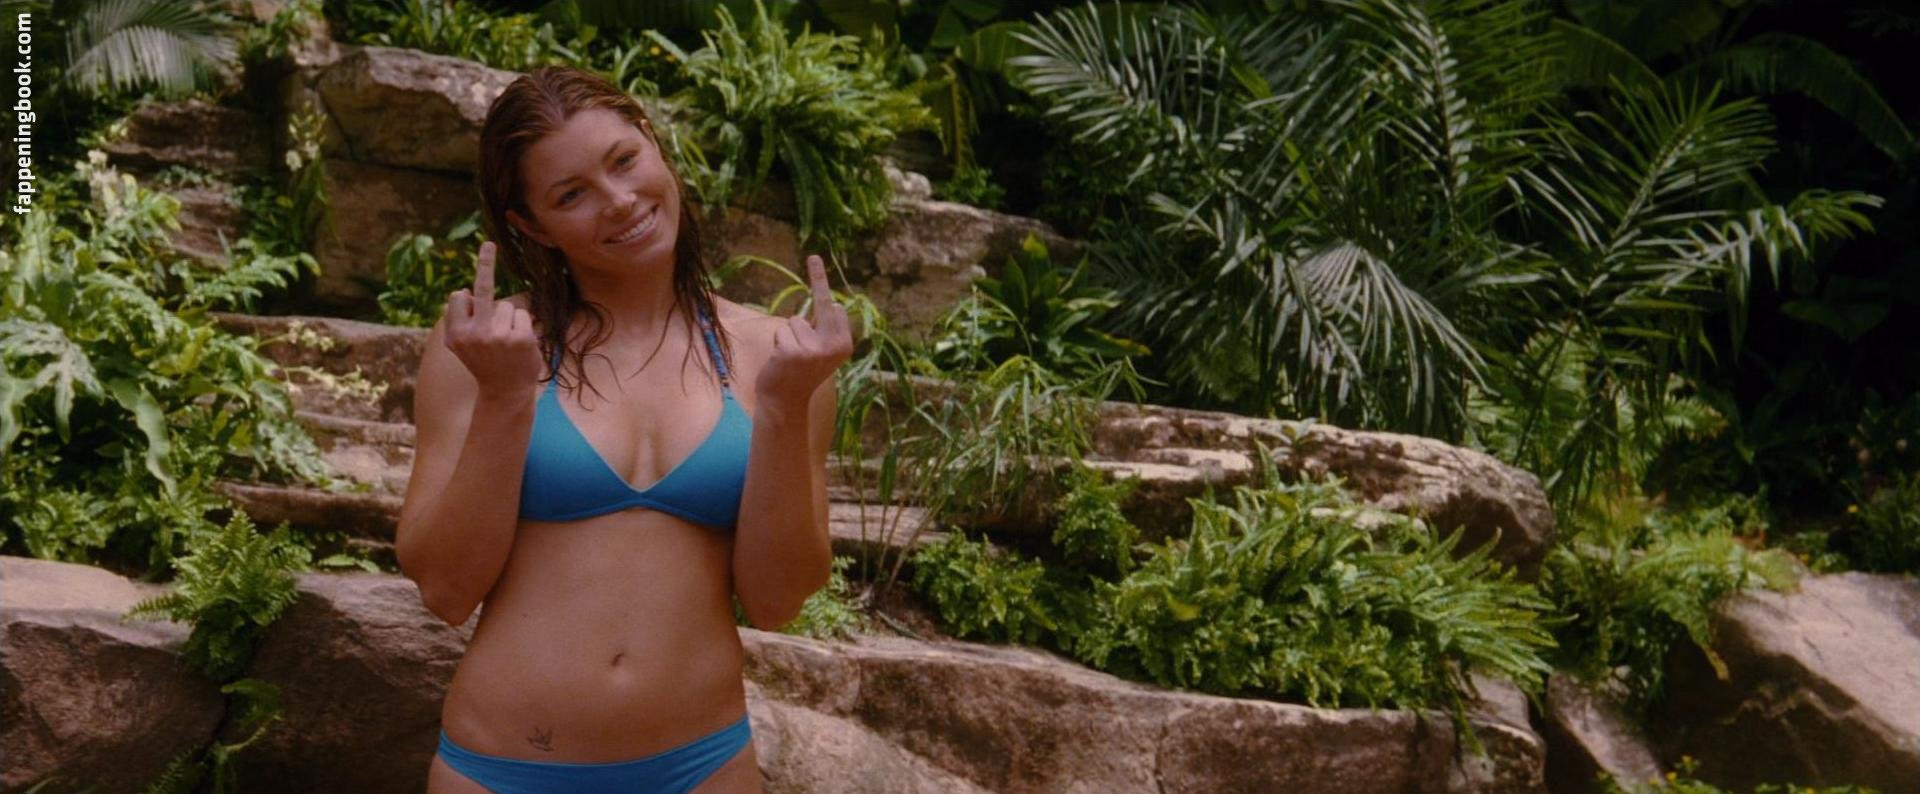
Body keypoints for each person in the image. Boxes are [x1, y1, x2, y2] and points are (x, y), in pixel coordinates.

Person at [395, 65, 851, 793]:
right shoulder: (487, 350)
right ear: (531, 226)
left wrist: (785, 406)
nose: (619, 201)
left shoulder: (779, 357)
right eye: (570, 194)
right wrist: (507, 398)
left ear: (654, 145)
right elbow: (446, 591)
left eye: (624, 160)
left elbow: (778, 601)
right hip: (503, 771)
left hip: (701, 768)